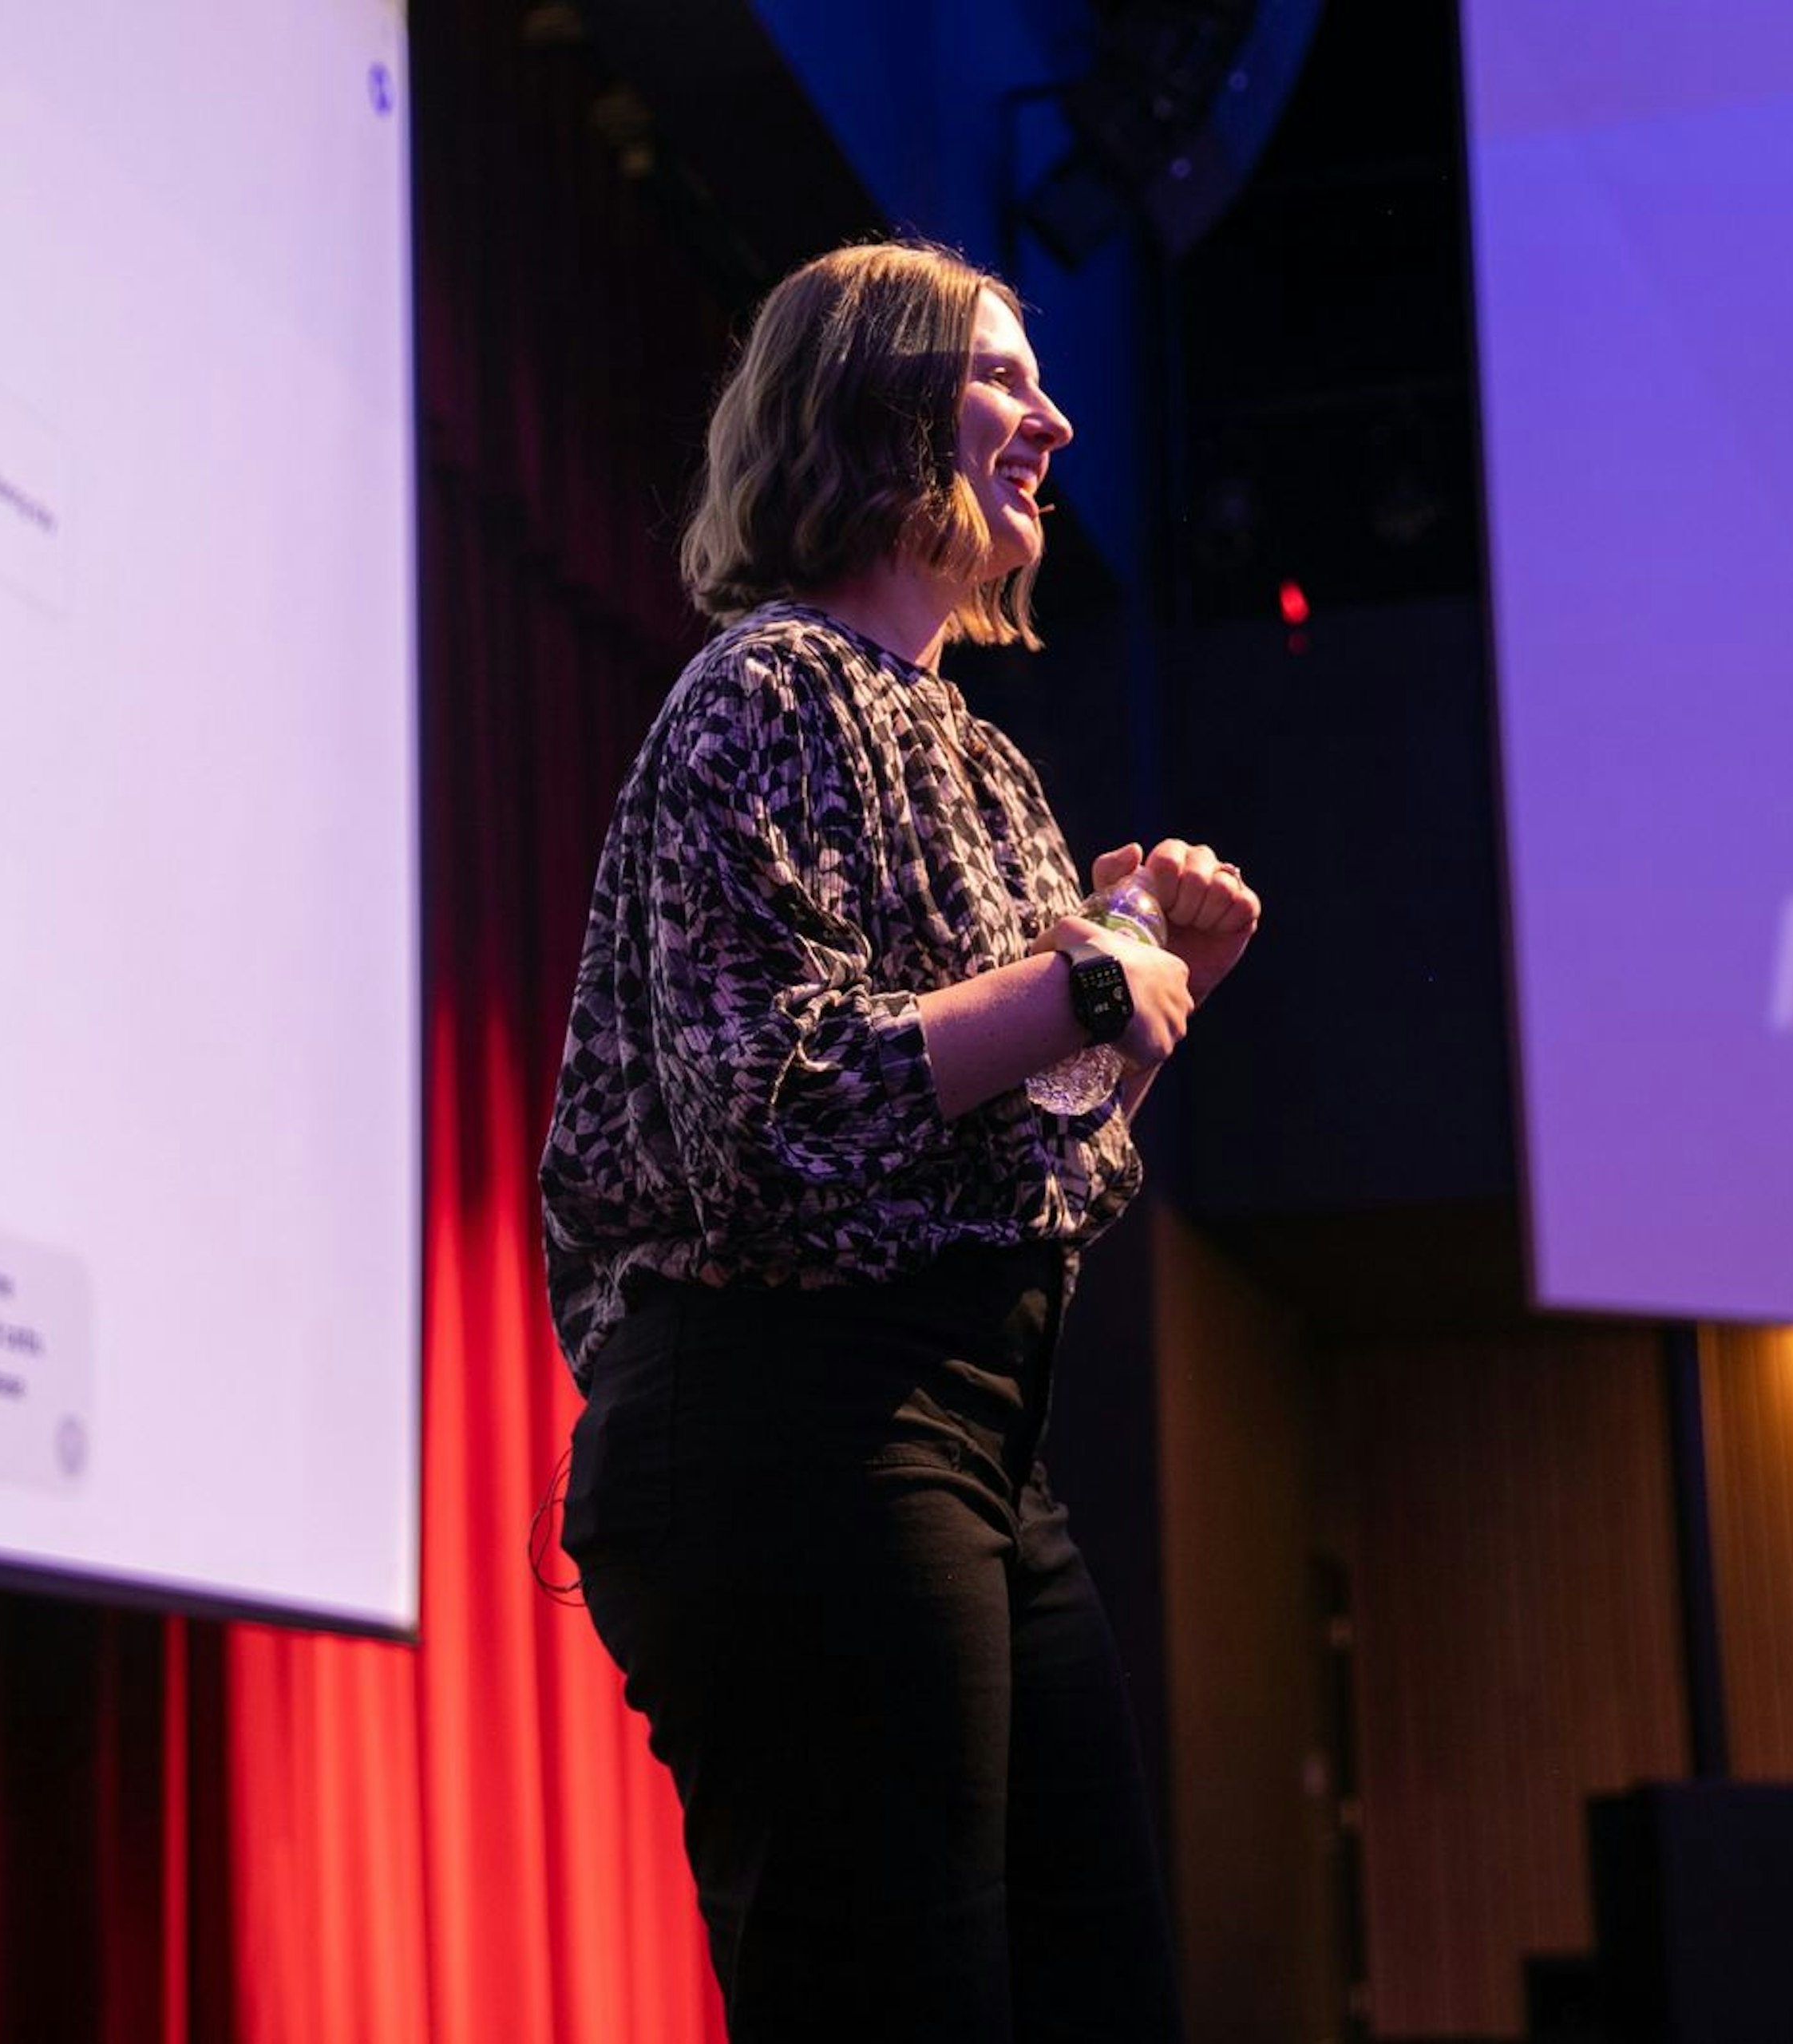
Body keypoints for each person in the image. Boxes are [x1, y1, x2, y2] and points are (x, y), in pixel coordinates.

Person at [539, 238, 1259, 2041]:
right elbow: (771, 1122)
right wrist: (1083, 983)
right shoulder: (765, 694)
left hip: (967, 1436)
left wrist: (1155, 985)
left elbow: (1035, 1165)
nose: (1057, 416)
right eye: (1004, 374)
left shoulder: (978, 757)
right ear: (874, 403)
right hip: (792, 1423)